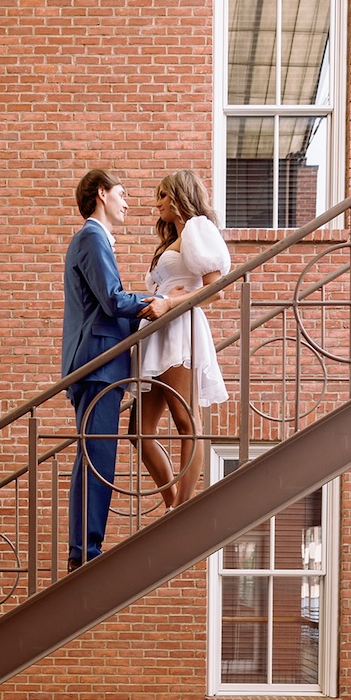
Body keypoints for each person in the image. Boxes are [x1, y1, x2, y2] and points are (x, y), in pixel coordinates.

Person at [61, 169, 175, 572]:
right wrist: (159, 301)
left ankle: (83, 550)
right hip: (97, 363)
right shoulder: (92, 237)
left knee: (93, 456)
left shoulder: (93, 240)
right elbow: (111, 301)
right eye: (123, 194)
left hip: (99, 362)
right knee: (98, 457)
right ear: (102, 194)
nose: (128, 203)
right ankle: (86, 552)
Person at [136, 170, 231, 509]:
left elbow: (216, 289)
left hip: (181, 330)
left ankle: (183, 508)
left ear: (178, 196)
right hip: (161, 333)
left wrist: (171, 302)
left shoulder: (197, 228)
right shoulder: (172, 238)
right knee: (139, 430)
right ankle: (174, 502)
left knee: (185, 418)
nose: (156, 202)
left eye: (162, 195)